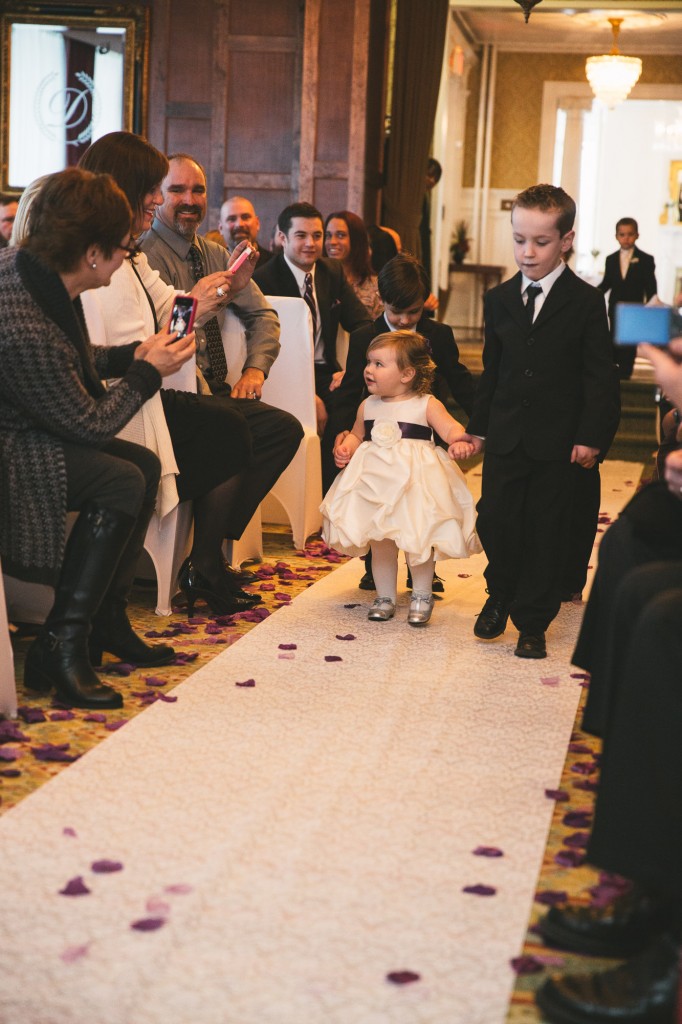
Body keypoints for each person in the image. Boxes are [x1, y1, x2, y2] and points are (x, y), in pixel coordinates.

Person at [78, 132, 298, 617]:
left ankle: (203, 561)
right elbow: (131, 338)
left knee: (262, 427)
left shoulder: (131, 254)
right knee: (227, 429)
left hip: (149, 388)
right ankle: (189, 571)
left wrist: (218, 292)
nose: (160, 199)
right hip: (121, 396)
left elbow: (171, 316)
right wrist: (195, 300)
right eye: (155, 189)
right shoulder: (94, 256)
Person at [0, 167, 196, 709]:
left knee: (143, 466)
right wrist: (146, 373)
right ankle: (61, 645)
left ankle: (100, 621)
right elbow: (87, 423)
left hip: (26, 428)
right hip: (11, 450)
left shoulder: (34, 272)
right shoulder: (25, 322)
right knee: (119, 479)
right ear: (92, 253)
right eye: (125, 248)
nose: (129, 257)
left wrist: (131, 356)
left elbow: (69, 369)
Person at [454, 184, 619, 660]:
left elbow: (598, 377)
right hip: (507, 435)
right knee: (497, 520)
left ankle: (532, 621)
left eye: (540, 242)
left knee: (546, 529)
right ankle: (500, 591)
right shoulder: (500, 298)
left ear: (566, 240)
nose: (527, 252)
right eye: (519, 239)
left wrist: (591, 437)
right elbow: (493, 370)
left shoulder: (586, 302)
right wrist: (480, 426)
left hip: (558, 441)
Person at [330, 252, 476, 591]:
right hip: (378, 441)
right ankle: (375, 566)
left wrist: (477, 424)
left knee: (421, 507)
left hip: (422, 433)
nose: (408, 319)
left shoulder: (437, 334)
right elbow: (352, 389)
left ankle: (422, 570)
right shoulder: (366, 335)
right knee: (377, 501)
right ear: (382, 300)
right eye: (399, 312)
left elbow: (459, 380)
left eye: (415, 311)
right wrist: (342, 432)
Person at [321, 331, 480, 626]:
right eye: (369, 362)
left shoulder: (426, 403)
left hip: (415, 484)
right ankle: (385, 596)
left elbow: (451, 429)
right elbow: (357, 434)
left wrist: (459, 441)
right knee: (381, 542)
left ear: (407, 373)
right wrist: (346, 448)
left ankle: (421, 594)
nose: (369, 369)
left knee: (418, 539)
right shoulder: (368, 405)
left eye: (379, 364)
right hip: (376, 485)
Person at [253, 201, 371, 474]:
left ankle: (334, 491)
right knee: (317, 413)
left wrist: (352, 369)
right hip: (283, 374)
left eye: (317, 236)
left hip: (327, 373)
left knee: (355, 403)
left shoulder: (331, 271)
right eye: (301, 236)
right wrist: (307, 393)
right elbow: (265, 345)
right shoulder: (263, 279)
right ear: (282, 238)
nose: (311, 243)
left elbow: (363, 324)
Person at [598, 216, 657, 380]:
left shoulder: (646, 259)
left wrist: (649, 311)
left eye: (630, 234)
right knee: (613, 341)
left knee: (629, 345)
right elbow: (606, 283)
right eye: (622, 234)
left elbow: (650, 287)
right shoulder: (610, 259)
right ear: (616, 236)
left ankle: (625, 375)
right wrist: (590, 294)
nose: (626, 238)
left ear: (637, 235)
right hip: (615, 307)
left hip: (634, 309)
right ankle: (612, 374)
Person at [324, 210, 383, 319]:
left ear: (356, 240)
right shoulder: (317, 280)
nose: (332, 241)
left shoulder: (376, 287)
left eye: (340, 235)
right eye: (328, 235)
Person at [205, 196, 273, 267]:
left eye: (245, 217)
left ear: (257, 223)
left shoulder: (274, 265)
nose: (239, 224)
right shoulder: (211, 267)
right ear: (221, 228)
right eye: (232, 219)